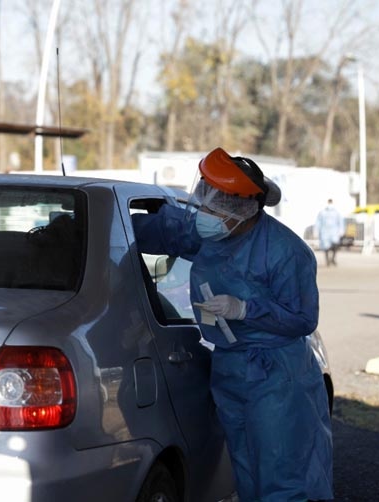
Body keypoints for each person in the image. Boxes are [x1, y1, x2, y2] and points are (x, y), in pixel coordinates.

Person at [132, 147, 333, 502]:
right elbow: (170, 231)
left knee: (280, 472)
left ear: (241, 210)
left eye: (213, 208)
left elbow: (303, 318)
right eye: (204, 204)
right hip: (230, 365)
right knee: (245, 468)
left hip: (276, 376)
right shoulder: (215, 231)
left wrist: (244, 309)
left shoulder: (286, 251)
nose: (203, 215)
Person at [315, 199, 344, 266]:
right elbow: (318, 222)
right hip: (324, 232)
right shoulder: (322, 212)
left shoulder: (336, 212)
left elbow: (340, 222)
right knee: (326, 246)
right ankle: (327, 260)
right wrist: (316, 231)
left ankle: (333, 258)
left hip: (334, 232)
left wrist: (341, 231)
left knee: (335, 244)